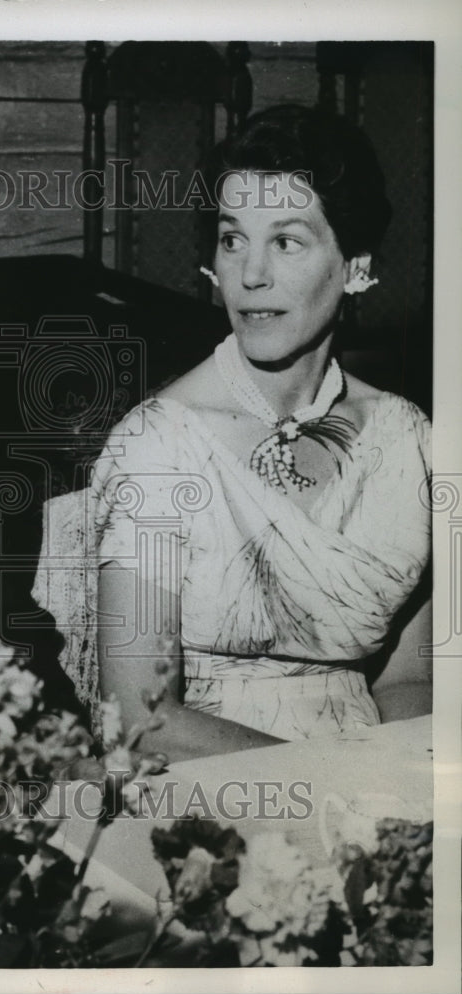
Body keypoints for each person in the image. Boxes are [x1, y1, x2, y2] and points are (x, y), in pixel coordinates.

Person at [34, 105, 431, 761]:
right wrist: (326, 782)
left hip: (370, 778)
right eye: (232, 239)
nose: (250, 275)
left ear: (355, 266)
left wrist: (395, 789)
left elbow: (410, 680)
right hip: (207, 786)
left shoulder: (406, 439)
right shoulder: (158, 446)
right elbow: (139, 720)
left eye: (286, 242)